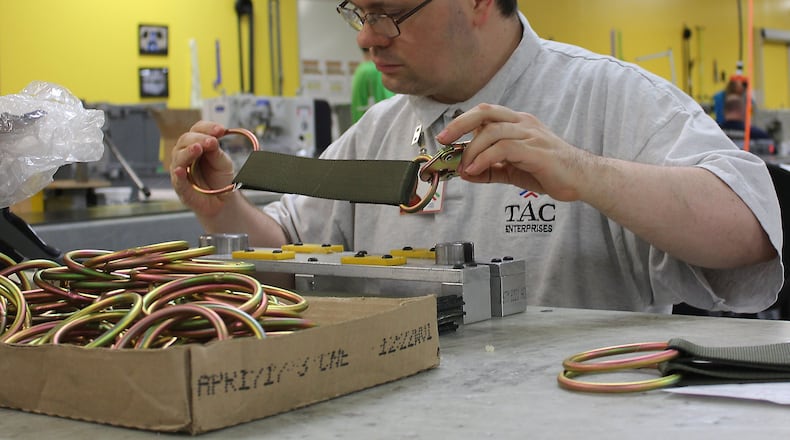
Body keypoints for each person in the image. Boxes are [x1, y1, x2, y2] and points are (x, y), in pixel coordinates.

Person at [171, 0, 782, 315]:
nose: (366, 36)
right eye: (359, 11)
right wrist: (221, 209)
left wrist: (583, 172)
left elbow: (752, 230)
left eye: (390, 12)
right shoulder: (379, 130)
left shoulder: (609, 97)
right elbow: (287, 253)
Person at [351, 47, 395, 122]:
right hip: (384, 120)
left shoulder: (360, 70)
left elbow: (358, 103)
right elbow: (390, 98)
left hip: (363, 122)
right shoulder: (378, 69)